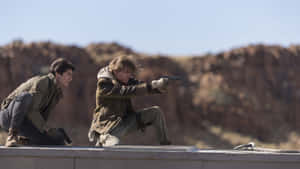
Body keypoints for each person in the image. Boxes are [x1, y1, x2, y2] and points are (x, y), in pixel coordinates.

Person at [88, 56, 171, 147]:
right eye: (126, 72)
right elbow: (125, 91)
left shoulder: (125, 81)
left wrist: (158, 87)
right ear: (116, 71)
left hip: (124, 121)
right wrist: (151, 86)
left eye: (130, 73)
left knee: (155, 112)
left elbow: (140, 85)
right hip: (108, 126)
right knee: (112, 143)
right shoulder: (104, 84)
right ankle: (102, 138)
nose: (129, 75)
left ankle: (165, 145)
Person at [0, 58, 75, 147]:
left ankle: (24, 141)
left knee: (57, 140)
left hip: (25, 121)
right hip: (8, 116)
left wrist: (52, 133)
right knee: (26, 96)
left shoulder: (56, 93)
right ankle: (12, 136)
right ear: (58, 74)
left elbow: (42, 117)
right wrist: (46, 128)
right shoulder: (43, 82)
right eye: (68, 74)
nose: (71, 78)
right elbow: (31, 110)